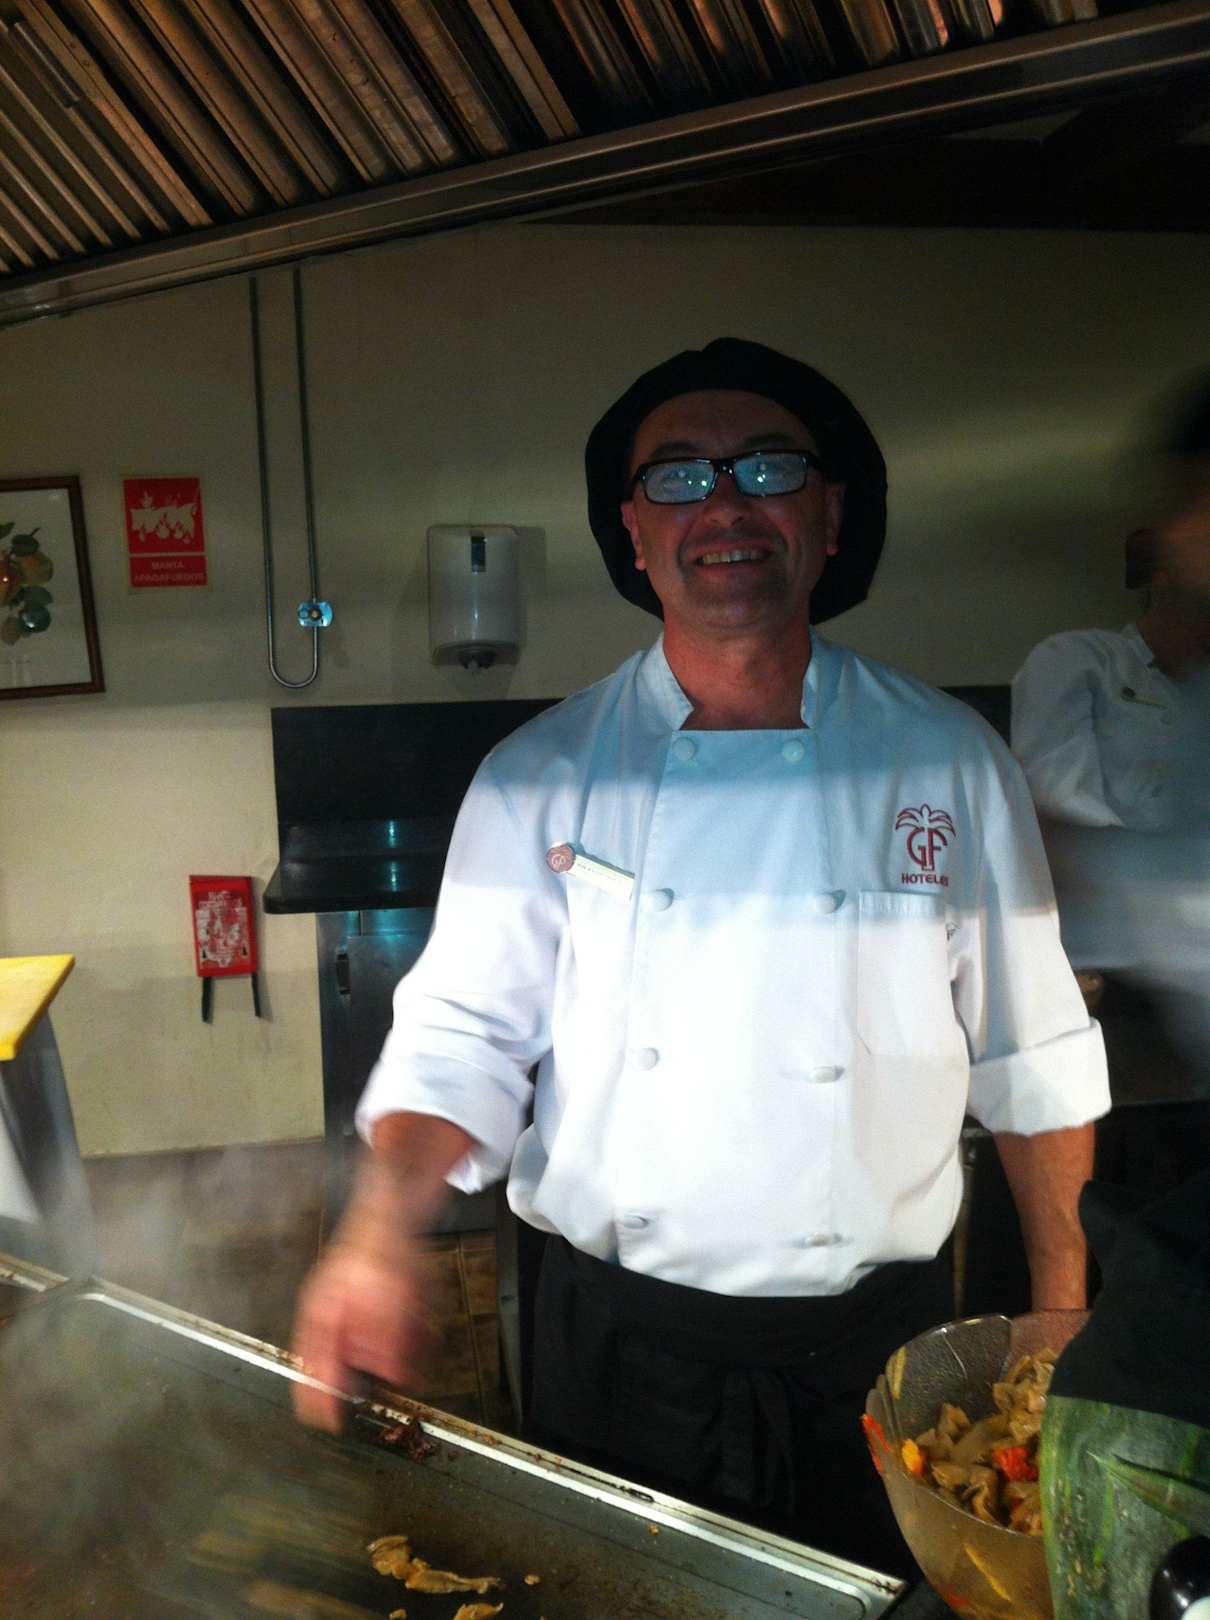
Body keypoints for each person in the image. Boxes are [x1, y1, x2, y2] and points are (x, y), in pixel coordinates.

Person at [292, 338, 1109, 1572]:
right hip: (617, 1350)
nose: (723, 505)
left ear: (830, 516)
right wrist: (373, 1234)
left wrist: (1059, 1309)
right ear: (633, 533)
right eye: (677, 475)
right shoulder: (538, 776)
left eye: (766, 468)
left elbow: (1030, 1048)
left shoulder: (949, 761)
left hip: (873, 1350)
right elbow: (461, 1039)